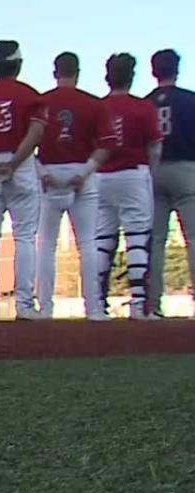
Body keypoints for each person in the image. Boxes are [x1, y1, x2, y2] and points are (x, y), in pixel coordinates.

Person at [35, 53, 114, 320]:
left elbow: (27, 144)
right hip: (83, 171)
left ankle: (44, 307)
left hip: (48, 173)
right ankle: (93, 307)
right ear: (77, 72)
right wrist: (84, 172)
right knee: (87, 243)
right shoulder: (93, 104)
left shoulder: (41, 101)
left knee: (46, 244)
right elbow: (106, 145)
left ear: (54, 72)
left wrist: (41, 172)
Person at [0, 41, 48, 320]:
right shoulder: (29, 95)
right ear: (17, 64)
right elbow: (37, 131)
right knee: (25, 236)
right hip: (21, 166)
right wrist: (15, 162)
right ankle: (25, 304)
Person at [96, 53, 164, 319]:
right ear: (132, 77)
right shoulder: (143, 107)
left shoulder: (98, 107)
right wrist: (150, 172)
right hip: (134, 173)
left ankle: (97, 301)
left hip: (102, 177)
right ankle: (138, 303)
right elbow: (155, 147)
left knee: (103, 240)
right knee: (137, 238)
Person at [146, 49, 195, 317]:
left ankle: (152, 303)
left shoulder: (146, 103)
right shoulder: (190, 100)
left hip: (154, 171)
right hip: (187, 168)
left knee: (154, 240)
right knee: (193, 238)